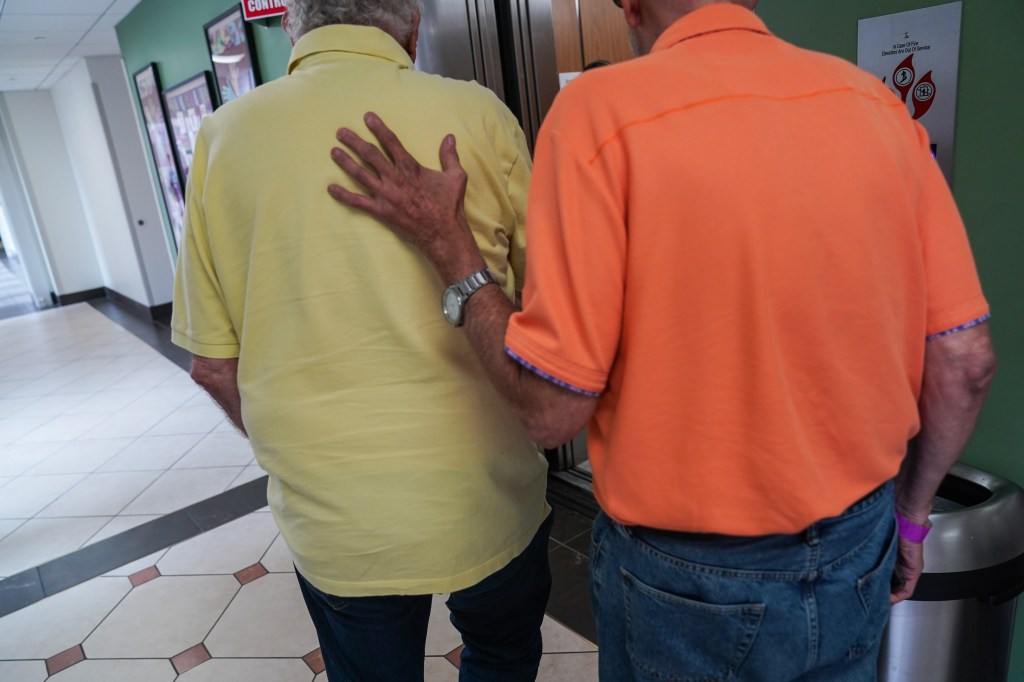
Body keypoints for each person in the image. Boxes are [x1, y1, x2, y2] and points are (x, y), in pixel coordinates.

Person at [324, 0, 997, 679]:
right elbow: (966, 361)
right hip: (862, 545)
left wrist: (453, 252)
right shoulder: (878, 108)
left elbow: (551, 409)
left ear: (630, 4)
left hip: (692, 582)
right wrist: (910, 519)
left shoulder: (600, 113)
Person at [170, 1, 553, 679]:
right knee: (502, 651)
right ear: (410, 28)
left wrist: (300, 453)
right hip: (488, 491)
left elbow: (211, 367)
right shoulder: (479, 113)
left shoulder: (223, 136)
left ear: (291, 28)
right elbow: (549, 312)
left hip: (336, 517)